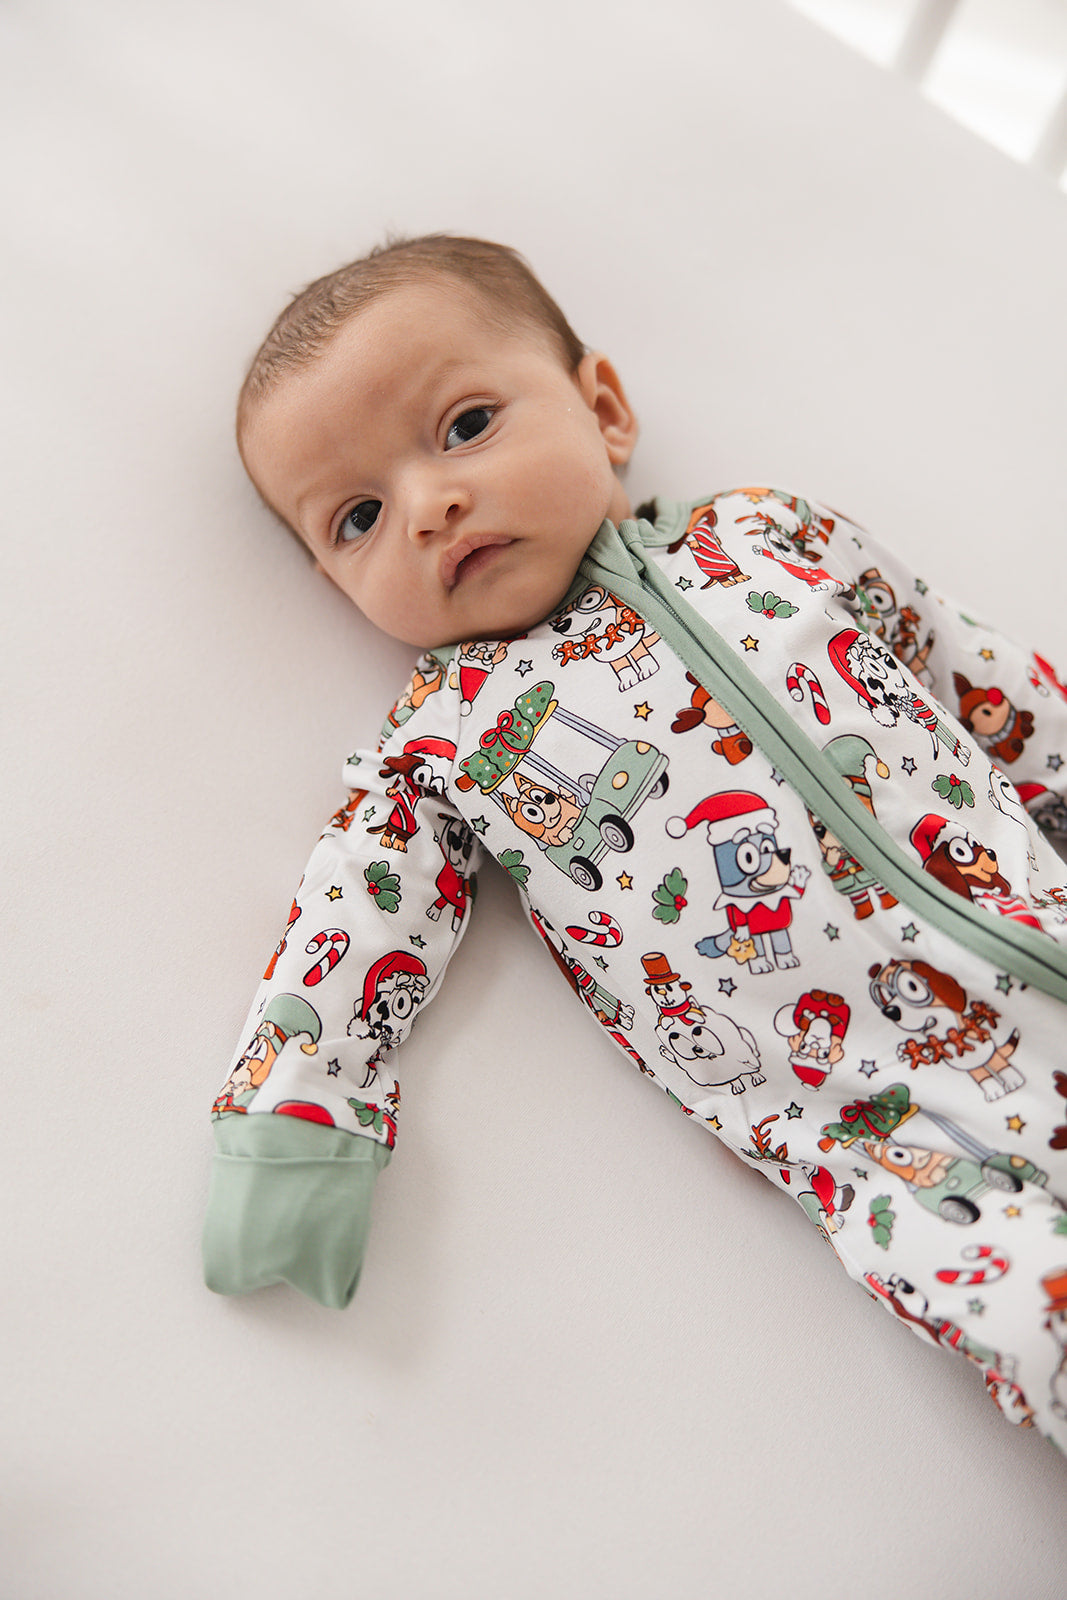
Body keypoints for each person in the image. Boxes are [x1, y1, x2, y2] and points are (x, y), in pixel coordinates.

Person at [204, 234, 1067, 1450]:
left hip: (1040, 922)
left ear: (602, 408)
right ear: (330, 582)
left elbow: (982, 685)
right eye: (358, 515)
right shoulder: (442, 742)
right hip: (890, 1141)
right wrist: (290, 1122)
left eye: (463, 427)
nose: (428, 504)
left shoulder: (768, 538)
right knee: (1038, 1326)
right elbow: (351, 928)